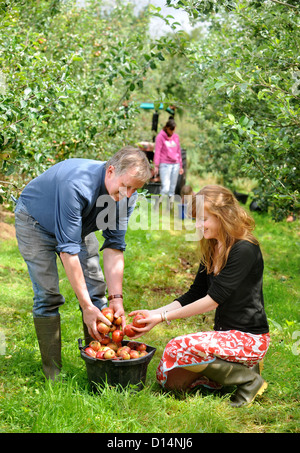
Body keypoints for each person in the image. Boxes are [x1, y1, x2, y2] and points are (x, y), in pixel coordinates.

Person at [14, 147, 151, 380]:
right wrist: (86, 307)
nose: (129, 195)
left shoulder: (126, 195)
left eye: (135, 189)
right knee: (48, 295)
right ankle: (53, 375)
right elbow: (68, 251)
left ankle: (99, 363)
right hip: (35, 222)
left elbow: (114, 245)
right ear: (110, 171)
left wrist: (116, 299)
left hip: (78, 225)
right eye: (127, 187)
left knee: (97, 292)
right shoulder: (77, 184)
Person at [130, 185, 270, 408]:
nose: (197, 225)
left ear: (223, 216)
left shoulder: (244, 249)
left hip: (249, 339)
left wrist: (163, 319)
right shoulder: (213, 247)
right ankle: (237, 370)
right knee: (168, 381)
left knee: (176, 348)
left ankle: (249, 379)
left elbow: (212, 300)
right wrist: (154, 313)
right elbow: (195, 293)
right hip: (225, 335)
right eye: (196, 219)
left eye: (203, 219)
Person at [153, 118, 184, 207]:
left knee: (172, 189)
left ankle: (170, 208)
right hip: (165, 164)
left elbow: (178, 151)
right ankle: (157, 206)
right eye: (171, 130)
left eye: (174, 130)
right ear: (167, 128)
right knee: (165, 188)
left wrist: (181, 166)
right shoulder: (160, 137)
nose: (172, 132)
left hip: (175, 164)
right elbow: (157, 151)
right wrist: (156, 165)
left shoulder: (176, 137)